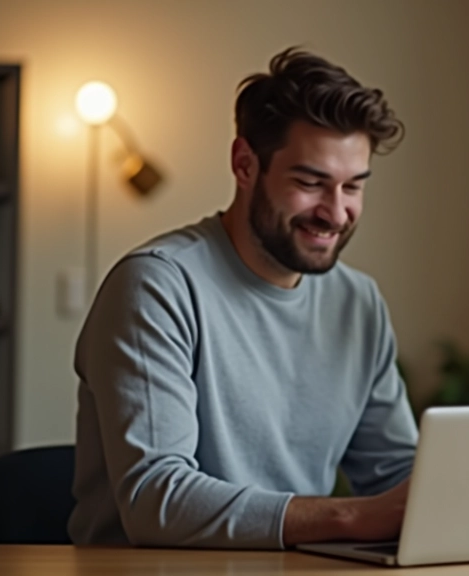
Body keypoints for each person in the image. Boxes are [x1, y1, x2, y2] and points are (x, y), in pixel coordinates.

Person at [68, 48, 417, 550]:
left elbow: (397, 476)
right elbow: (155, 501)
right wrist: (347, 516)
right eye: (310, 183)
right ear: (245, 164)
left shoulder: (358, 302)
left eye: (353, 187)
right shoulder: (156, 287)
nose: (336, 213)